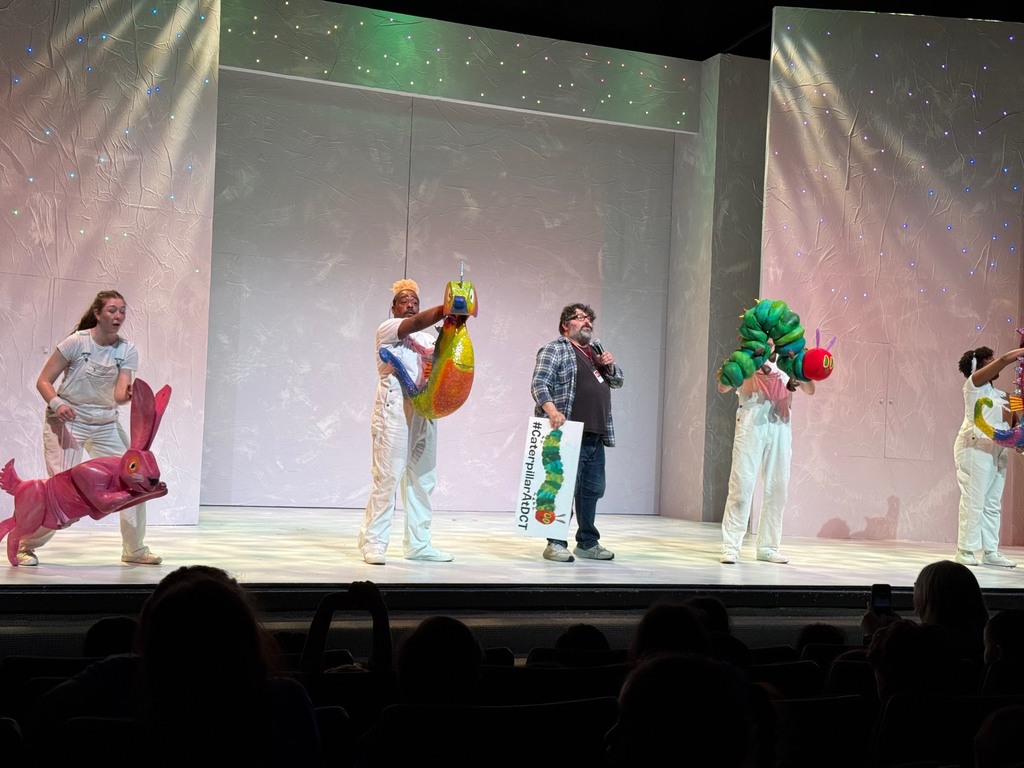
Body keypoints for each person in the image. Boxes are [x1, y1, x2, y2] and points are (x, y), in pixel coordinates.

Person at [19, 290, 160, 566]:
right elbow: (44, 381)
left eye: (122, 311)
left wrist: (129, 395)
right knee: (62, 492)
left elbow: (118, 395)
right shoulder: (77, 342)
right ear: (97, 313)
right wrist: (58, 404)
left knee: (135, 481)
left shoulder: (127, 350)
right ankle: (25, 544)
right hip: (68, 421)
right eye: (112, 310)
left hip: (105, 423)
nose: (118, 316)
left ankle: (134, 550)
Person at [358, 279, 453, 565]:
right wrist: (448, 307)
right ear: (393, 307)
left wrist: (455, 323)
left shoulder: (427, 340)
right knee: (388, 477)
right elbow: (416, 323)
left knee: (423, 480)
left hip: (424, 411)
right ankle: (374, 543)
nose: (410, 305)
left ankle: (419, 544)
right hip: (395, 409)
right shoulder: (388, 329)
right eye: (404, 301)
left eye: (415, 301)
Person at [530, 303, 623, 562]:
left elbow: (618, 381)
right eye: (581, 318)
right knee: (561, 489)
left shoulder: (596, 354)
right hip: (567, 433)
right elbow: (539, 383)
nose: (588, 322)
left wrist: (610, 365)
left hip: (595, 434)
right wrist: (551, 411)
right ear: (565, 325)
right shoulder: (555, 349)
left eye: (590, 318)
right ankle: (555, 543)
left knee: (592, 490)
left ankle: (587, 543)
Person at [718, 355, 814, 564]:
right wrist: (732, 372)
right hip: (750, 420)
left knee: (777, 487)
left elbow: (810, 389)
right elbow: (723, 388)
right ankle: (731, 547)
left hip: (780, 423)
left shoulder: (790, 356)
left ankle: (768, 547)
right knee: (742, 485)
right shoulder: (746, 356)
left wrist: (802, 373)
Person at [954, 345, 1020, 568]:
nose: (994, 362)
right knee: (974, 500)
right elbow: (1003, 360)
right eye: (988, 360)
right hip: (975, 447)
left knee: (992, 503)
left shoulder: (1001, 395)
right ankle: (965, 549)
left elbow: (1015, 420)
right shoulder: (973, 386)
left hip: (998, 450)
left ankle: (991, 551)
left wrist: (1019, 438)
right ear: (978, 366)